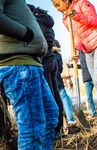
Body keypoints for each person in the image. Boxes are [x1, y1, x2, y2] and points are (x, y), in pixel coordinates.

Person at [0, 0, 59, 149]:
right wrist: (25, 33)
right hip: (18, 65)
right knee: (32, 127)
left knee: (50, 116)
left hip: (32, 64)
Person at [52, 0, 97, 126]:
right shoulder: (65, 19)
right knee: (95, 81)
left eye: (58, 4)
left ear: (66, 1)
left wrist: (74, 14)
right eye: (55, 6)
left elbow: (93, 21)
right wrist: (76, 51)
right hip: (88, 50)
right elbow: (76, 36)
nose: (57, 9)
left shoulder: (83, 4)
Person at [28, 4, 64, 138]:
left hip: (43, 61)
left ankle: (53, 130)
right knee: (56, 95)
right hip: (51, 59)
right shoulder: (47, 21)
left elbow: (37, 43)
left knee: (48, 98)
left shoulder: (35, 22)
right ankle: (59, 127)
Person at [53, 39, 76, 125]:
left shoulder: (45, 54)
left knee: (54, 100)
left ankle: (59, 122)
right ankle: (70, 119)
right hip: (58, 79)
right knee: (64, 97)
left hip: (48, 80)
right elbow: (60, 69)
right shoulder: (58, 55)